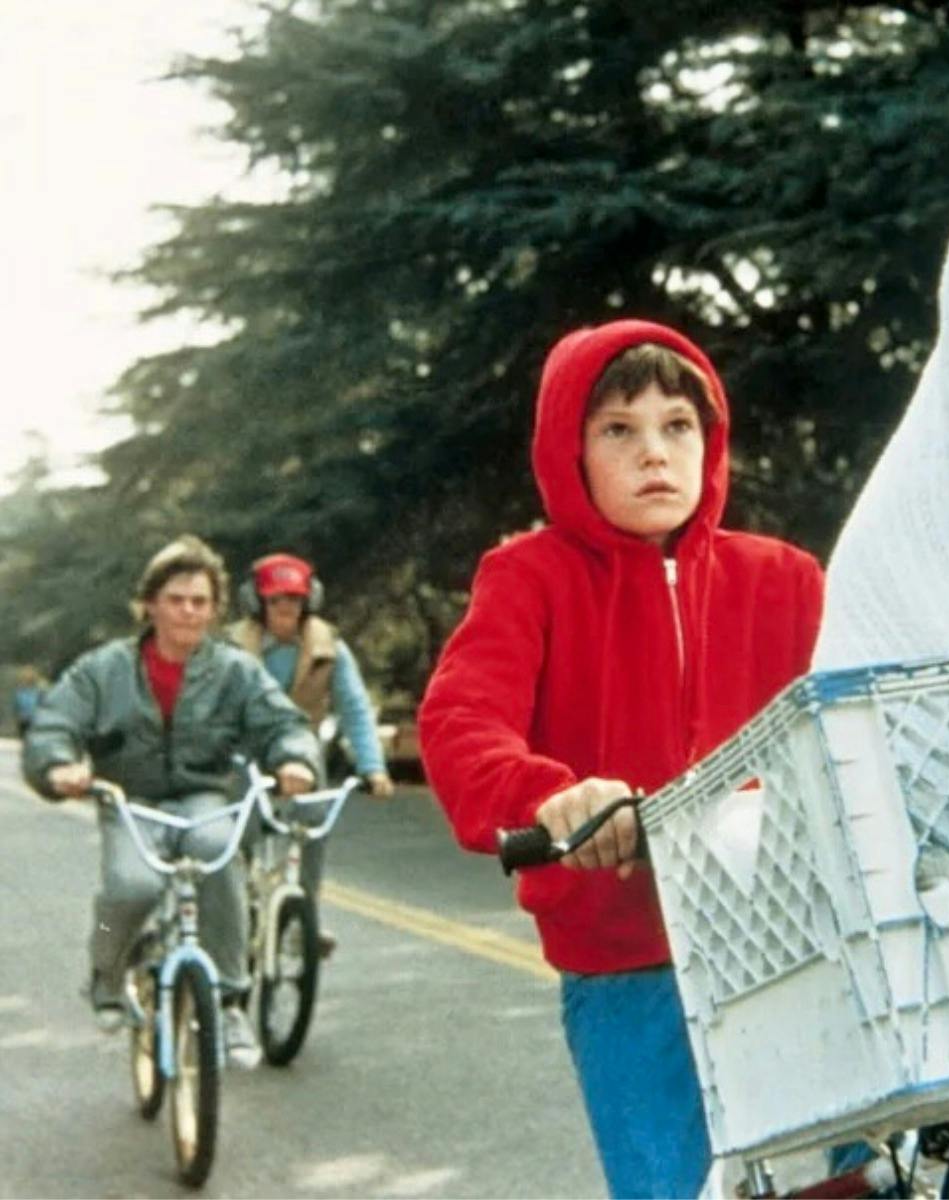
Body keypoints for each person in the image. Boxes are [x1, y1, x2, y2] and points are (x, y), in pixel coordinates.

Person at [419, 319, 825, 1198]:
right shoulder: (528, 576)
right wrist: (551, 798)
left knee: (890, 1161)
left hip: (796, 940)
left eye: (679, 426)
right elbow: (461, 720)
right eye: (618, 429)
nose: (655, 454)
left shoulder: (786, 579)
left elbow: (851, 713)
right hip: (626, 953)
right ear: (571, 450)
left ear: (710, 443)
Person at [22, 535, 322, 1069]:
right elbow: (54, 724)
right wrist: (58, 764)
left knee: (218, 855)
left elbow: (284, 724)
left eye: (200, 601)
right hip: (130, 799)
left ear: (214, 610)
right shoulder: (103, 669)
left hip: (204, 795)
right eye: (177, 598)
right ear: (151, 604)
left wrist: (295, 760)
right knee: (129, 887)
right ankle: (106, 972)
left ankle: (229, 999)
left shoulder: (234, 670)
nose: (188, 610)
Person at [226, 551, 395, 955]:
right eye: (275, 602)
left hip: (304, 749)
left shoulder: (328, 647)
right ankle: (237, 908)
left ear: (309, 603)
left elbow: (354, 707)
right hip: (246, 750)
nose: (285, 611)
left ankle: (306, 916)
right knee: (240, 827)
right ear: (256, 603)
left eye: (294, 602)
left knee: (315, 822)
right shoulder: (233, 647)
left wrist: (373, 767)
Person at [12, 666, 44, 735]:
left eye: (29, 678)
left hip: (34, 720)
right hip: (23, 720)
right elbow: (16, 706)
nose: (27, 680)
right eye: (26, 678)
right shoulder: (19, 692)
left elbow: (41, 705)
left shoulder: (38, 692)